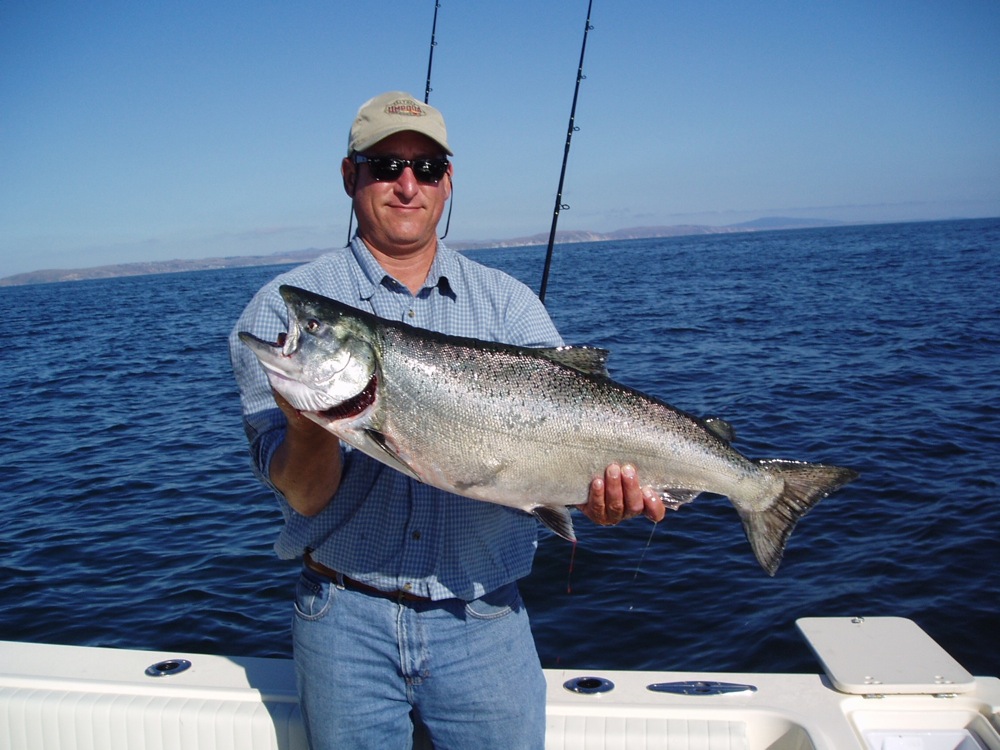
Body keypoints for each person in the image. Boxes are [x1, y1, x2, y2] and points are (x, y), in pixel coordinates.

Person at [229, 91, 665, 750]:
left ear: (448, 182)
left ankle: (757, 488)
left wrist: (597, 497)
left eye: (427, 168)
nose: (407, 184)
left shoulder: (508, 306)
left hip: (484, 619)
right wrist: (305, 424)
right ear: (351, 176)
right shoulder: (284, 310)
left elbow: (574, 424)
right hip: (344, 620)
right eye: (386, 165)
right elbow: (307, 494)